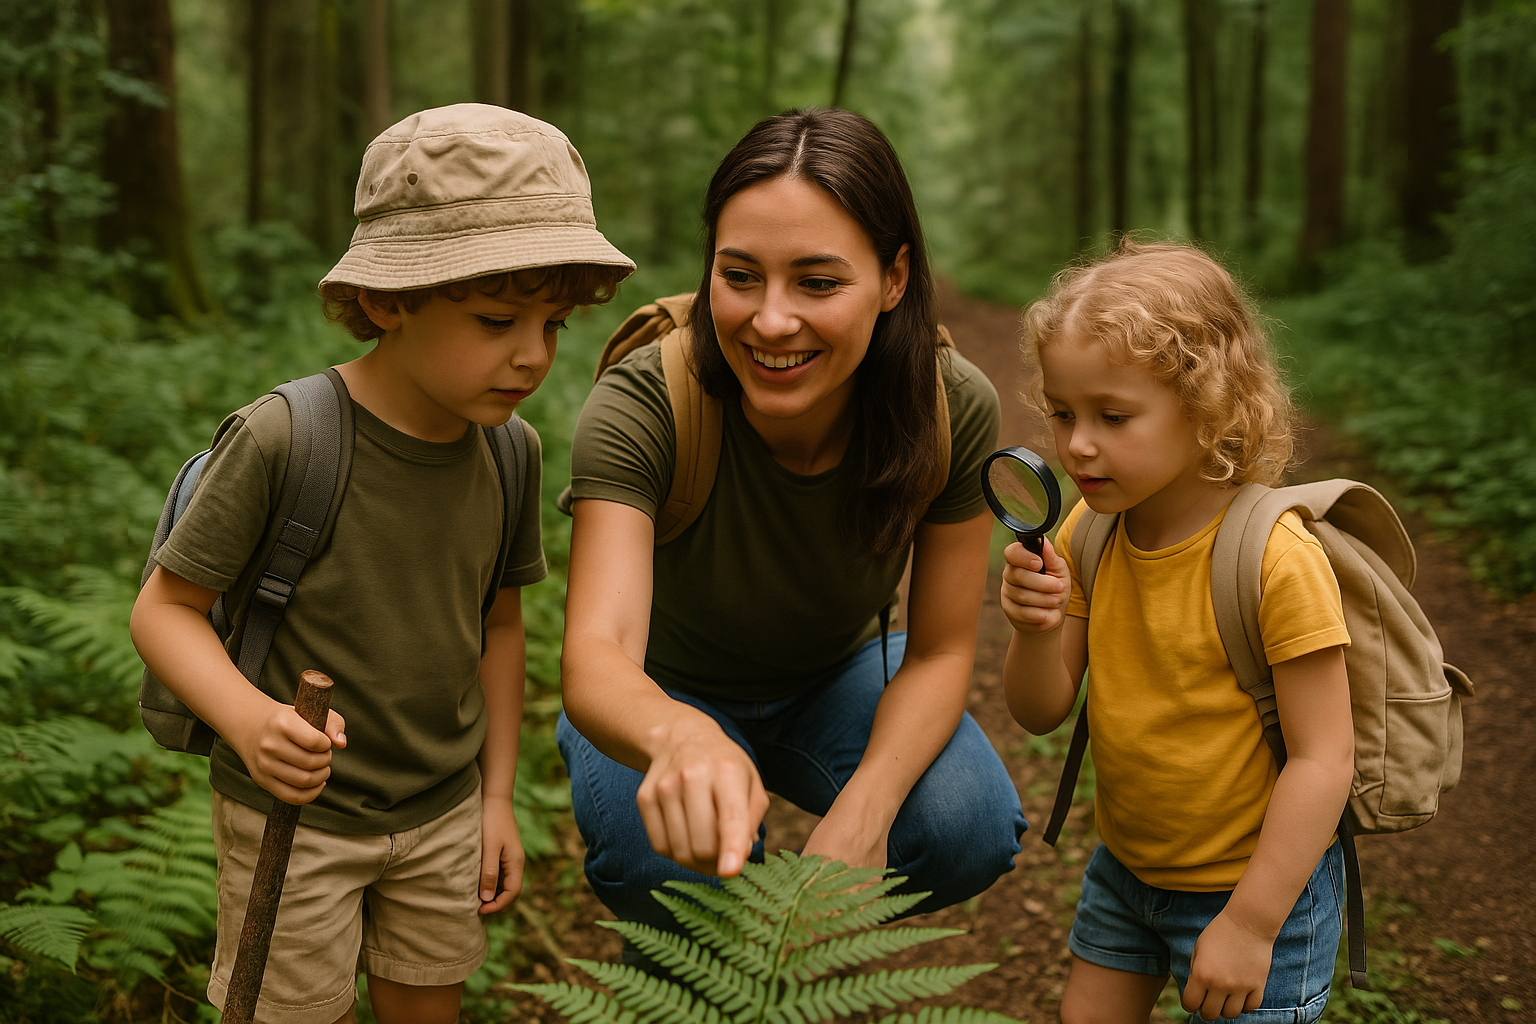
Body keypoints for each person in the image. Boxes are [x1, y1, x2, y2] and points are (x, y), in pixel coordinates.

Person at [129, 104, 633, 1024]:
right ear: (387, 300)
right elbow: (163, 611)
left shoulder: (509, 453)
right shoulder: (287, 437)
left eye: (553, 324)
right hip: (296, 818)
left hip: (441, 813)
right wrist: (250, 722)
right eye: (496, 318)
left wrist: (494, 799)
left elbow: (500, 627)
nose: (532, 356)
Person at [557, 108, 1026, 939]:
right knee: (661, 869)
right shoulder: (645, 403)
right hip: (663, 686)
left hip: (836, 678)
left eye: (818, 282)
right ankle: (689, 959)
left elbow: (945, 647)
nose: (771, 321)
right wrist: (679, 736)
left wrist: (863, 814)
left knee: (966, 829)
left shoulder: (948, 407)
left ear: (894, 278)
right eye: (740, 276)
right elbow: (598, 658)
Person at [999, 240, 1354, 1023]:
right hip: (1127, 873)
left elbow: (1325, 759)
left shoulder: (1273, 560)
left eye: (1113, 416)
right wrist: (1032, 628)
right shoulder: (1089, 532)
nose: (1078, 443)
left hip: (1259, 889)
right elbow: (1039, 709)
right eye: (1062, 413)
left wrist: (1253, 922)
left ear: (1209, 410)